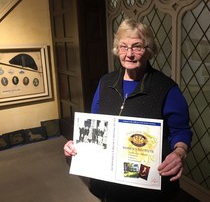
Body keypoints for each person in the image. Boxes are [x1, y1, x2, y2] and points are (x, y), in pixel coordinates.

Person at [64, 18, 193, 202]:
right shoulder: (105, 83)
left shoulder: (166, 88)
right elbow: (95, 125)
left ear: (148, 51)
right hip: (109, 184)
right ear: (117, 50)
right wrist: (76, 145)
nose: (129, 54)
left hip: (147, 187)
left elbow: (180, 131)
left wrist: (179, 152)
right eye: (123, 47)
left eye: (137, 46)